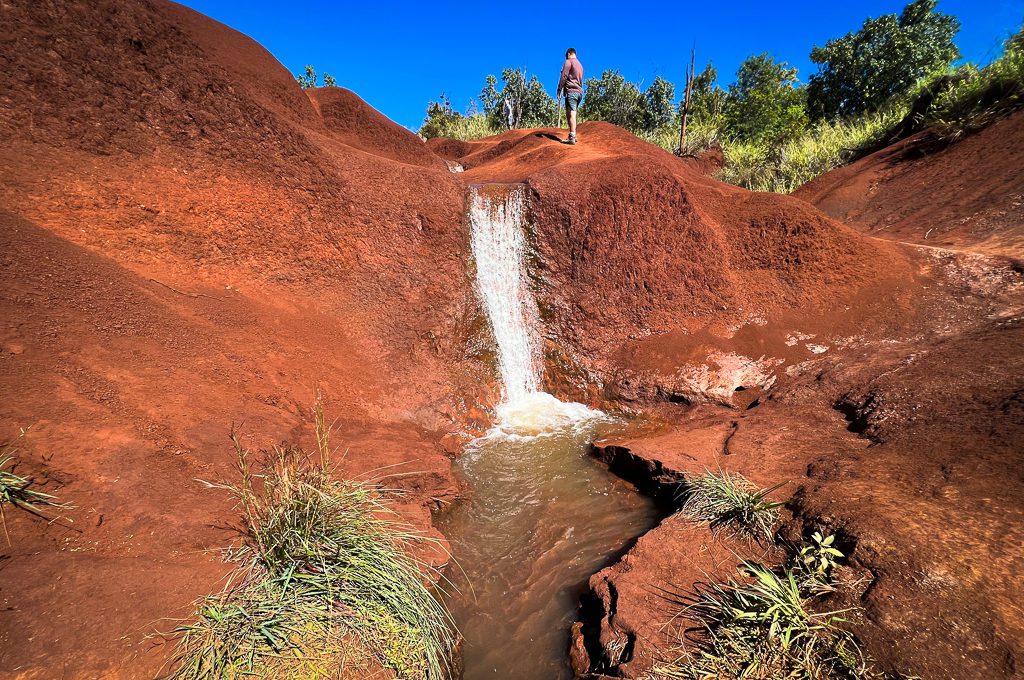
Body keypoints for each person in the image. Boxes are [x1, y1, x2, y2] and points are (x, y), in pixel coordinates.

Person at [556, 48, 584, 144]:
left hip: (571, 91)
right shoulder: (580, 65)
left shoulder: (568, 62)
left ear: (568, 54)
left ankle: (572, 136)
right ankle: (573, 134)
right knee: (569, 113)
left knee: (571, 113)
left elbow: (564, 75)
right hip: (579, 92)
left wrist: (559, 89)